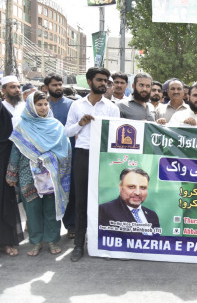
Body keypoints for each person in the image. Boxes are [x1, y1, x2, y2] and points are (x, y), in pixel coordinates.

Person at [6, 91, 72, 256]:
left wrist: (48, 158)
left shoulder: (56, 125)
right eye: (39, 104)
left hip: (51, 174)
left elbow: (66, 150)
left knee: (51, 208)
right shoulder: (23, 126)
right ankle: (35, 242)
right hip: (28, 174)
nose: (43, 107)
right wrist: (12, 173)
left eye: (45, 104)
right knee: (32, 209)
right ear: (31, 106)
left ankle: (52, 240)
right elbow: (16, 150)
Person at [65, 67, 120, 262]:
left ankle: (103, 243)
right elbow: (67, 132)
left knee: (104, 199)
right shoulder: (77, 106)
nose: (103, 83)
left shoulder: (112, 108)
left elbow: (116, 136)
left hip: (104, 157)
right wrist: (80, 124)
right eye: (99, 80)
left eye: (106, 80)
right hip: (83, 154)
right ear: (89, 82)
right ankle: (79, 244)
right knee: (81, 201)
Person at [0, 87, 23, 260]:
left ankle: (5, 242)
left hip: (2, 174)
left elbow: (13, 149)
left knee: (3, 204)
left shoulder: (6, 128)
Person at [44, 73, 76, 239]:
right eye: (54, 85)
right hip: (47, 156)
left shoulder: (72, 105)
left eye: (59, 84)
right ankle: (49, 229)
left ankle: (71, 225)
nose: (58, 87)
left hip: (69, 154)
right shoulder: (42, 105)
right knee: (50, 192)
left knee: (69, 190)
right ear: (46, 87)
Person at [99, 168, 160, 236]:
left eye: (142, 188)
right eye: (131, 187)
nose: (137, 192)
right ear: (120, 187)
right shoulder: (105, 211)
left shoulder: (152, 215)